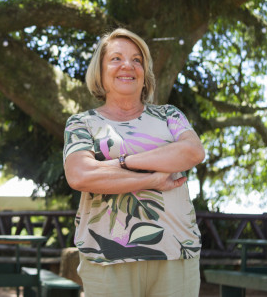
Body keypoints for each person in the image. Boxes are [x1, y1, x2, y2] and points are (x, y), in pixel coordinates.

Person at [63, 28, 206, 297]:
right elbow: (80, 175)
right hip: (107, 259)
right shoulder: (82, 123)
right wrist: (152, 178)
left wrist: (122, 163)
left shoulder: (169, 115)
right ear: (101, 71)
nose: (127, 65)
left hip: (177, 253)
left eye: (137, 59)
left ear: (144, 74)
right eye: (116, 58)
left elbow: (192, 152)